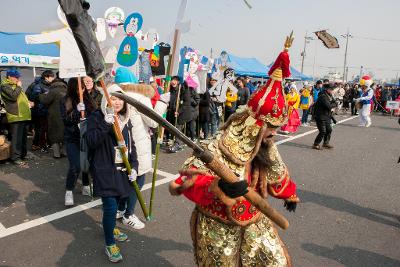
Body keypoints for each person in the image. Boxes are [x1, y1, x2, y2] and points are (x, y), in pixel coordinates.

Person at [169, 37, 299, 266]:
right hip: (217, 223)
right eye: (271, 129)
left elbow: (276, 172)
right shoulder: (217, 145)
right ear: (254, 127)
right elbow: (184, 181)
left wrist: (288, 193)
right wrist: (217, 187)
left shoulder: (265, 146)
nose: (274, 134)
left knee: (274, 261)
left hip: (255, 217)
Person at [86, 84, 138, 263]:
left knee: (117, 205)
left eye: (120, 99)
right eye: (113, 98)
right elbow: (91, 141)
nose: (117, 102)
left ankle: (111, 227)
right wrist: (105, 124)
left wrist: (135, 167)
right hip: (104, 170)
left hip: (122, 171)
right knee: (109, 207)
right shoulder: (97, 116)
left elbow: (132, 147)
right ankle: (109, 243)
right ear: (106, 100)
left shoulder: (125, 119)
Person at [113, 67, 169, 229]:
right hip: (137, 146)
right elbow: (153, 121)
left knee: (125, 180)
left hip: (120, 145)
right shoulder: (138, 97)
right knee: (137, 180)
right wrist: (162, 103)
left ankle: (120, 209)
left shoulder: (111, 96)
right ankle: (128, 214)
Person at [61, 78, 97, 206]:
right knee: (75, 165)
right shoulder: (66, 100)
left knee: (87, 162)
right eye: (78, 88)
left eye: (82, 87)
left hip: (88, 137)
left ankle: (86, 185)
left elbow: (95, 115)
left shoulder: (89, 99)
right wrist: (77, 111)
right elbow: (65, 120)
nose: (81, 90)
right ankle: (69, 190)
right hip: (73, 138)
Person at [0, 70, 32, 165]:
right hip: (15, 115)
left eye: (18, 77)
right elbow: (13, 97)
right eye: (16, 77)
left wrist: (28, 102)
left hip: (23, 115)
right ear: (9, 76)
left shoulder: (15, 85)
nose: (18, 79)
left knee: (22, 137)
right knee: (16, 138)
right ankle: (15, 157)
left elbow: (20, 98)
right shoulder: (5, 86)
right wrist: (18, 86)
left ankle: (23, 154)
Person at [39, 75, 67, 158]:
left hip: (54, 115)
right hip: (65, 115)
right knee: (65, 134)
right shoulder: (67, 89)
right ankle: (64, 152)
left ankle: (56, 154)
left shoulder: (53, 91)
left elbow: (45, 101)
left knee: (54, 134)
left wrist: (41, 95)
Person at [30, 70, 55, 152]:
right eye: (52, 76)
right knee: (41, 129)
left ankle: (47, 143)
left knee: (47, 128)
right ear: (46, 77)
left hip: (48, 111)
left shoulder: (50, 85)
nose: (53, 78)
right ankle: (41, 146)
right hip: (40, 111)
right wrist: (44, 96)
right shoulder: (38, 86)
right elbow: (34, 98)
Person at [312, 83, 337, 150]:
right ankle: (316, 144)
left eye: (333, 89)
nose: (333, 90)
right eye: (332, 89)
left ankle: (326, 143)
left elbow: (335, 103)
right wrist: (332, 105)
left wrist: (332, 105)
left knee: (329, 130)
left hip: (327, 116)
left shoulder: (330, 95)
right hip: (320, 116)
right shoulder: (323, 96)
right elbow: (329, 106)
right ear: (327, 89)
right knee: (323, 131)